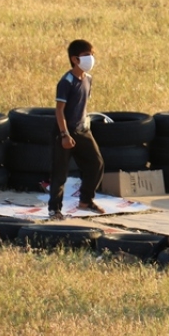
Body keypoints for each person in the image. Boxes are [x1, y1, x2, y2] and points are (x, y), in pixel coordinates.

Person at [49, 39, 105, 219]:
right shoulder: (66, 82)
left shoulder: (88, 79)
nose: (91, 58)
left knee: (96, 164)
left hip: (83, 130)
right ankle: (54, 209)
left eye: (92, 54)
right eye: (86, 55)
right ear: (74, 59)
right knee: (60, 173)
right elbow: (60, 110)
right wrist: (64, 134)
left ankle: (86, 201)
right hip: (66, 131)